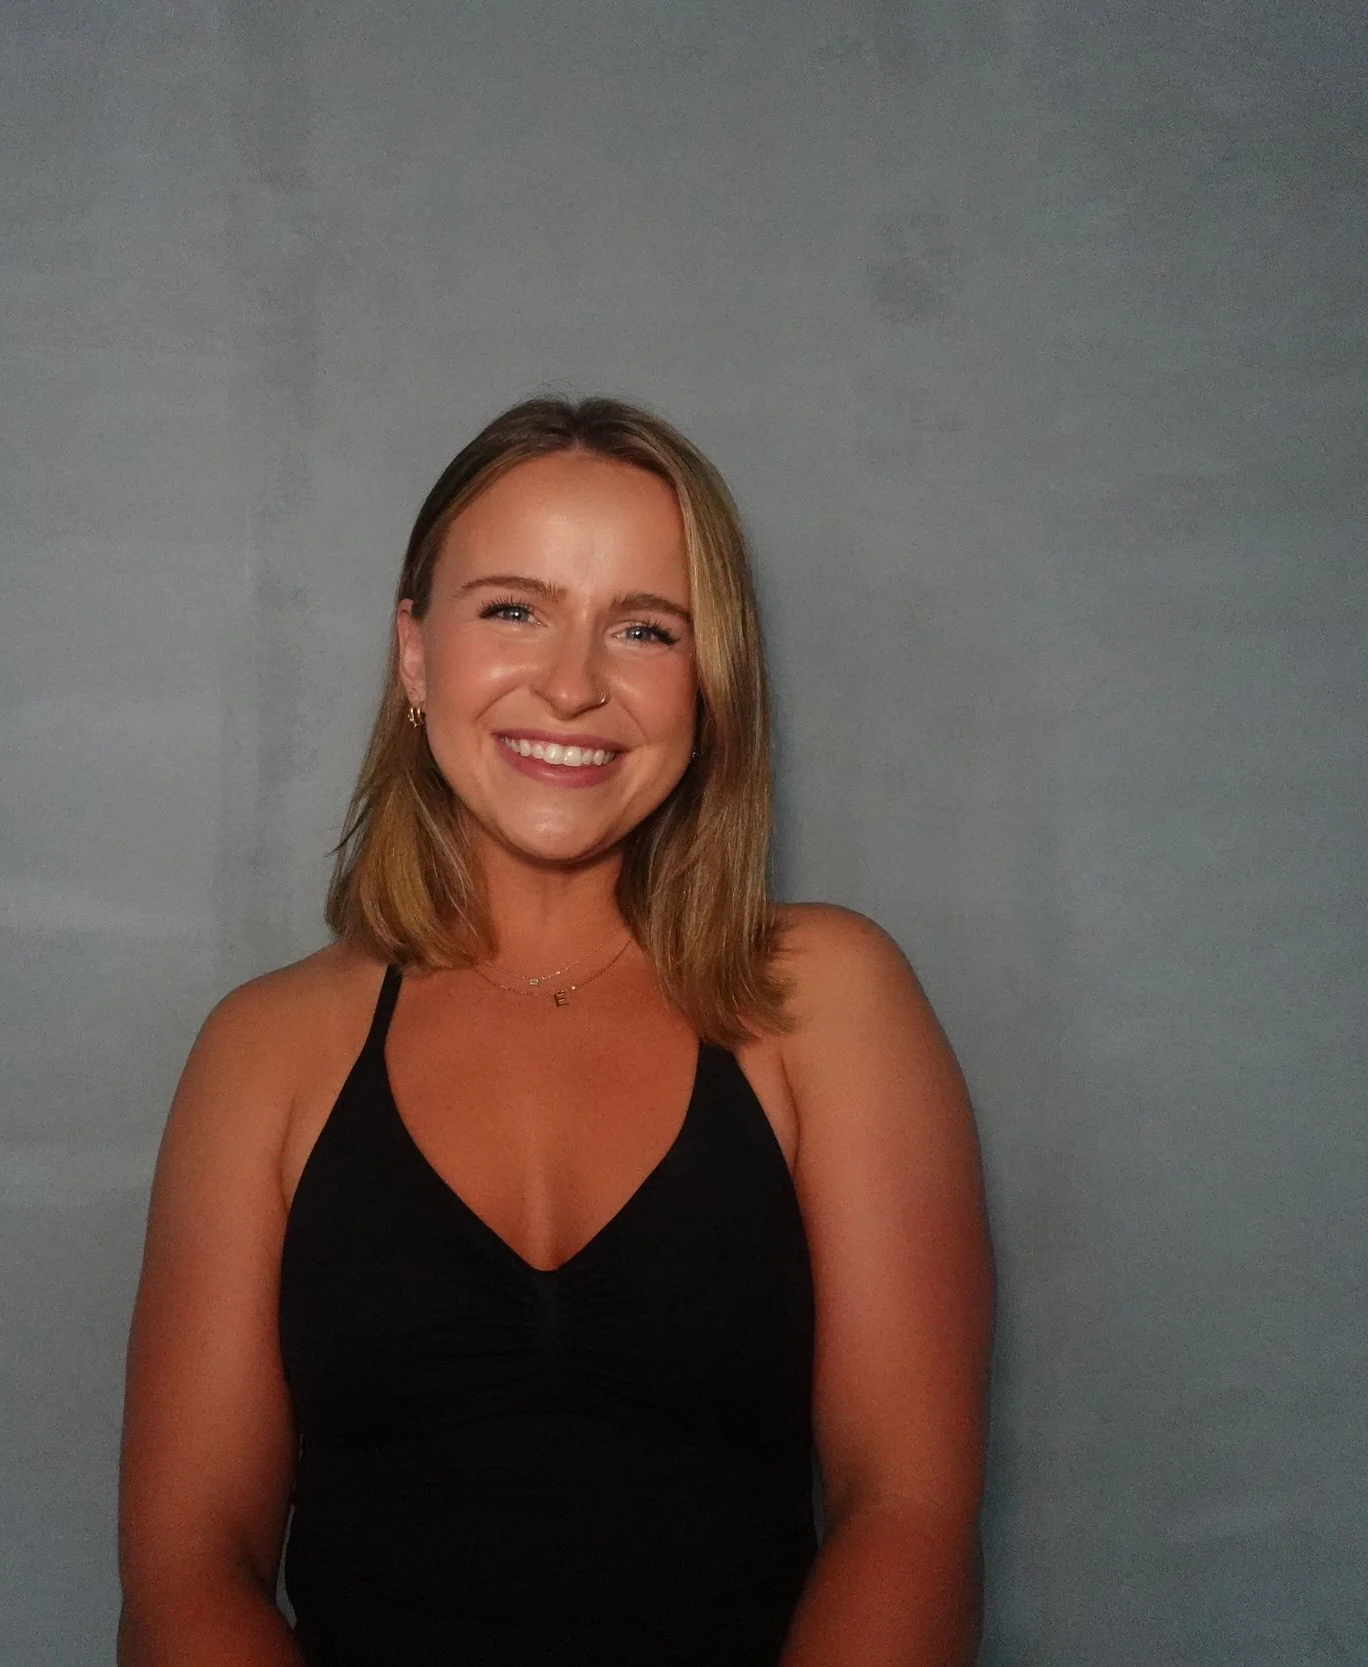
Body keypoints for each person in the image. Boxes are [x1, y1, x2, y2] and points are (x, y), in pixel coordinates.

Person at [117, 396, 993, 1666]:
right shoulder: (265, 1051)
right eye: (512, 609)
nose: (573, 684)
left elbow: (906, 1513)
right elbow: (186, 1566)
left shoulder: (826, 998)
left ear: (708, 680)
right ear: (415, 656)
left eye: (644, 627)